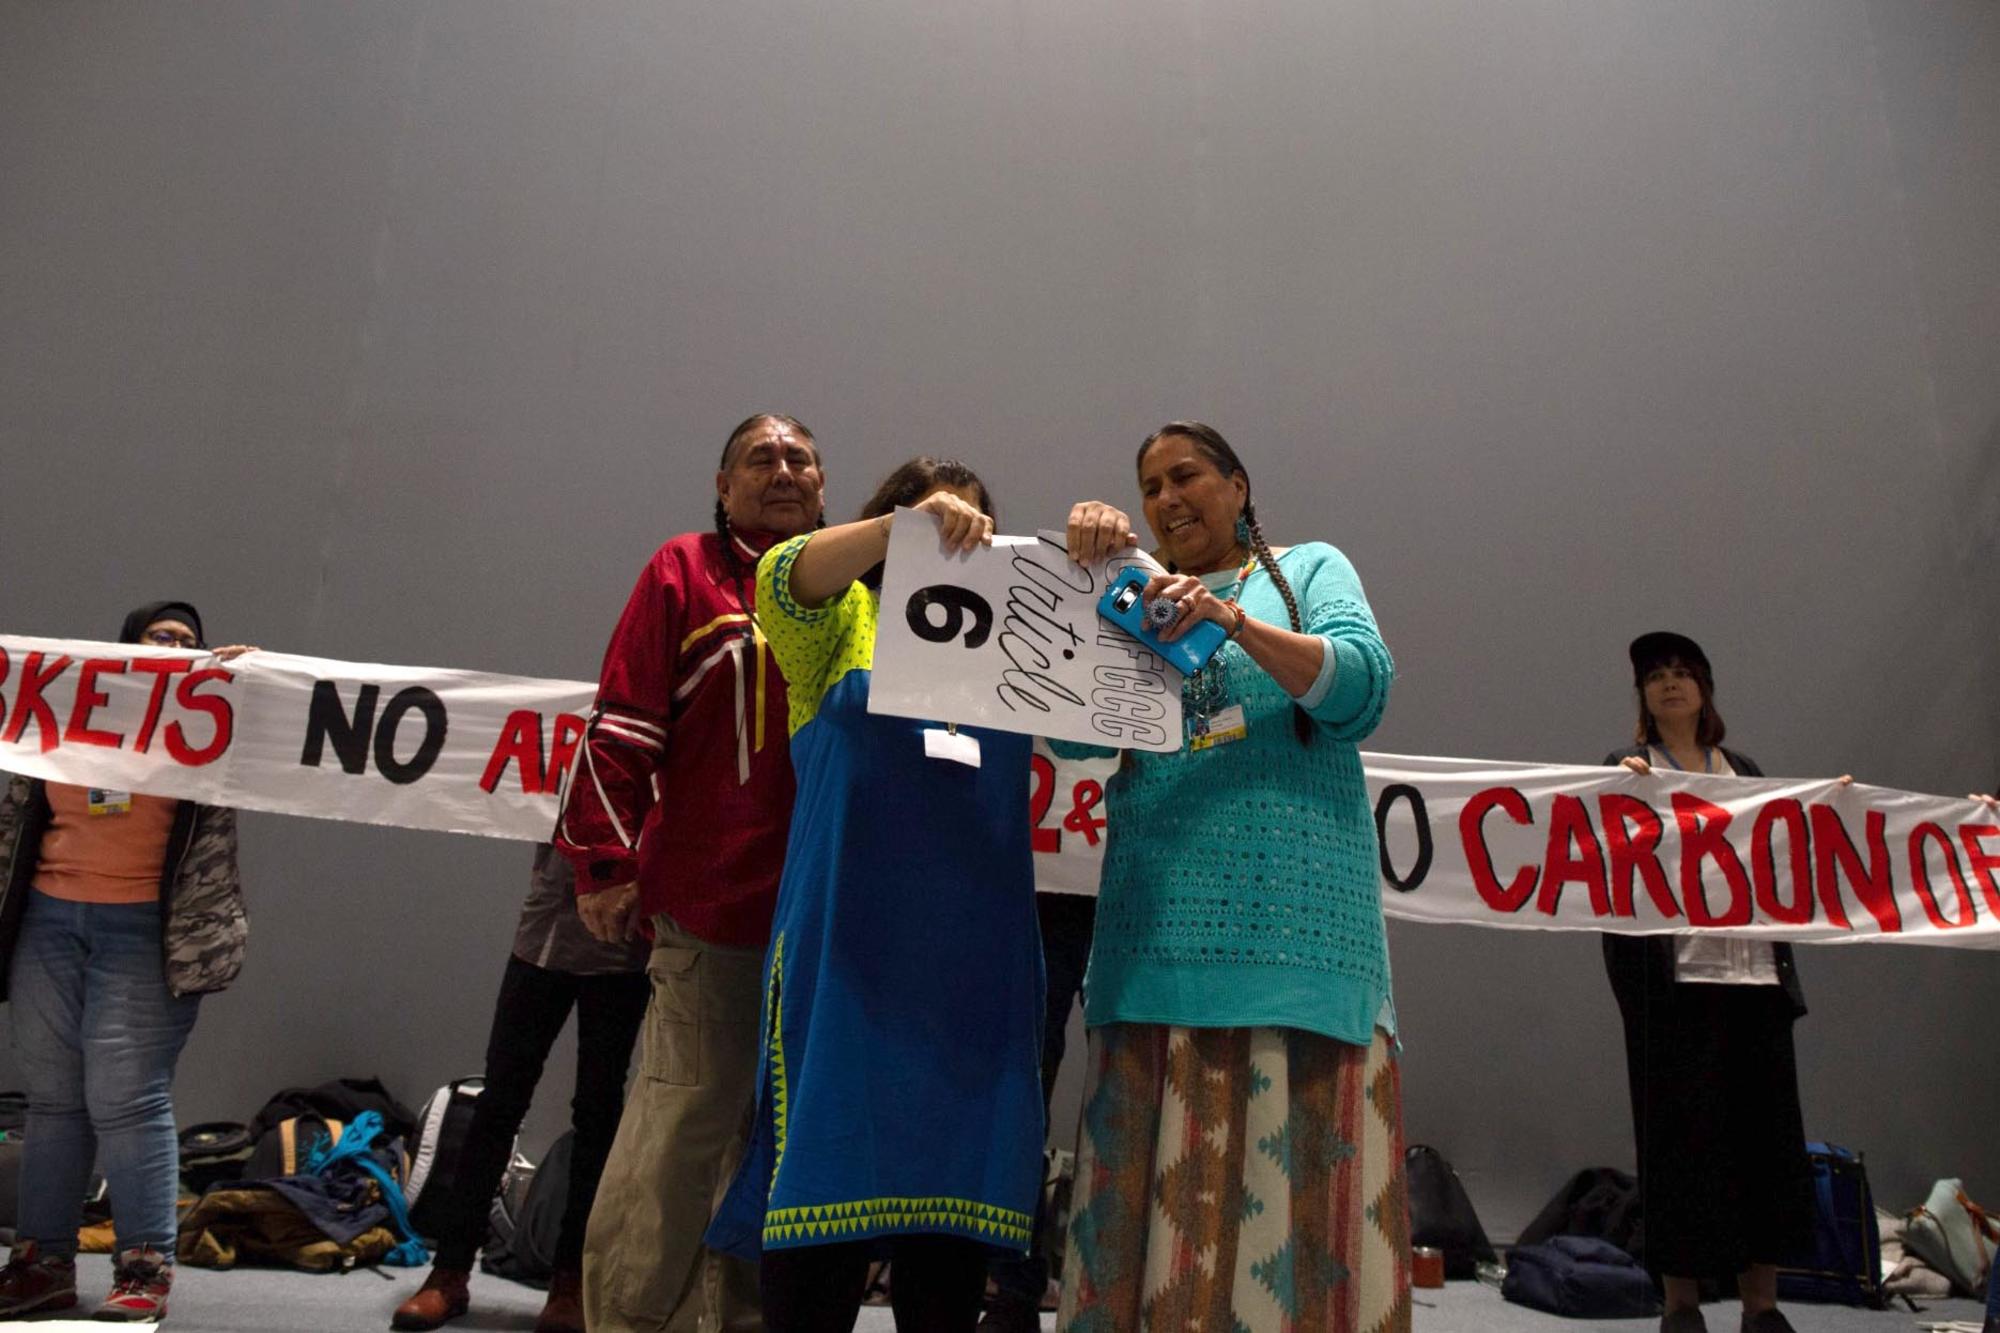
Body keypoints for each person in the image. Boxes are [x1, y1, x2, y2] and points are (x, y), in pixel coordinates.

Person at [1057, 422, 1405, 1333]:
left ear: (1240, 486)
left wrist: (1232, 618)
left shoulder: (1312, 569)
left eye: (1188, 476)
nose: (1168, 498)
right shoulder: (1130, 592)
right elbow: (1069, 734)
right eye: (1148, 487)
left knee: (1307, 1254)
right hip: (1157, 946)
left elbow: (1361, 690)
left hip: (1305, 947)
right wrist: (1089, 573)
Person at [705, 458, 1045, 1333]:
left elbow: (1120, 720)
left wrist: (1108, 563)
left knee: (947, 1253)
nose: (955, 535)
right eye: (938, 520)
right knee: (820, 1223)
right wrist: (905, 528)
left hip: (974, 978)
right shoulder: (840, 618)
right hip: (844, 966)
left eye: (974, 524)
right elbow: (787, 575)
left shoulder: (1023, 639)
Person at [553, 413, 825, 1333]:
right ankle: (626, 1318)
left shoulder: (852, 585)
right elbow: (623, 723)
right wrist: (601, 861)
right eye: (761, 458)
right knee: (682, 1125)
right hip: (714, 904)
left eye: (799, 458)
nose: (783, 470)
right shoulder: (685, 571)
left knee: (774, 1148)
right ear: (721, 484)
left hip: (821, 914)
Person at [0, 602, 255, 1324]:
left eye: (186, 640)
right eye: (158, 636)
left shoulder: (212, 717)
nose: (172, 646)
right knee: (52, 1098)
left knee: (128, 1096)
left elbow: (275, 732)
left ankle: (144, 1265)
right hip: (49, 920)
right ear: (125, 649)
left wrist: (248, 679)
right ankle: (41, 1263)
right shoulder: (67, 704)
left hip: (150, 928)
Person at [1603, 631, 1815, 1333]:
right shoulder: (1628, 770)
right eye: (1657, 675)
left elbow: (1792, 852)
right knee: (1677, 1149)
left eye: (1682, 673)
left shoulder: (1747, 772)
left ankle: (1763, 1306)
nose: (1670, 683)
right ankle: (1681, 1305)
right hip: (1675, 991)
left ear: (1704, 690)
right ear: (1643, 695)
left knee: (1766, 1145)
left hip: (1753, 983)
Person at [390, 845, 649, 1332]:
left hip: (624, 938)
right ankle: (448, 1272)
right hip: (546, 928)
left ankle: (570, 1283)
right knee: (498, 1105)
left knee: (598, 1114)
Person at [980, 740, 1112, 1332]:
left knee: (1136, 1094)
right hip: (1038, 881)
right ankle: (1015, 1286)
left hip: (1129, 878)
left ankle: (1114, 1282)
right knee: (1022, 1092)